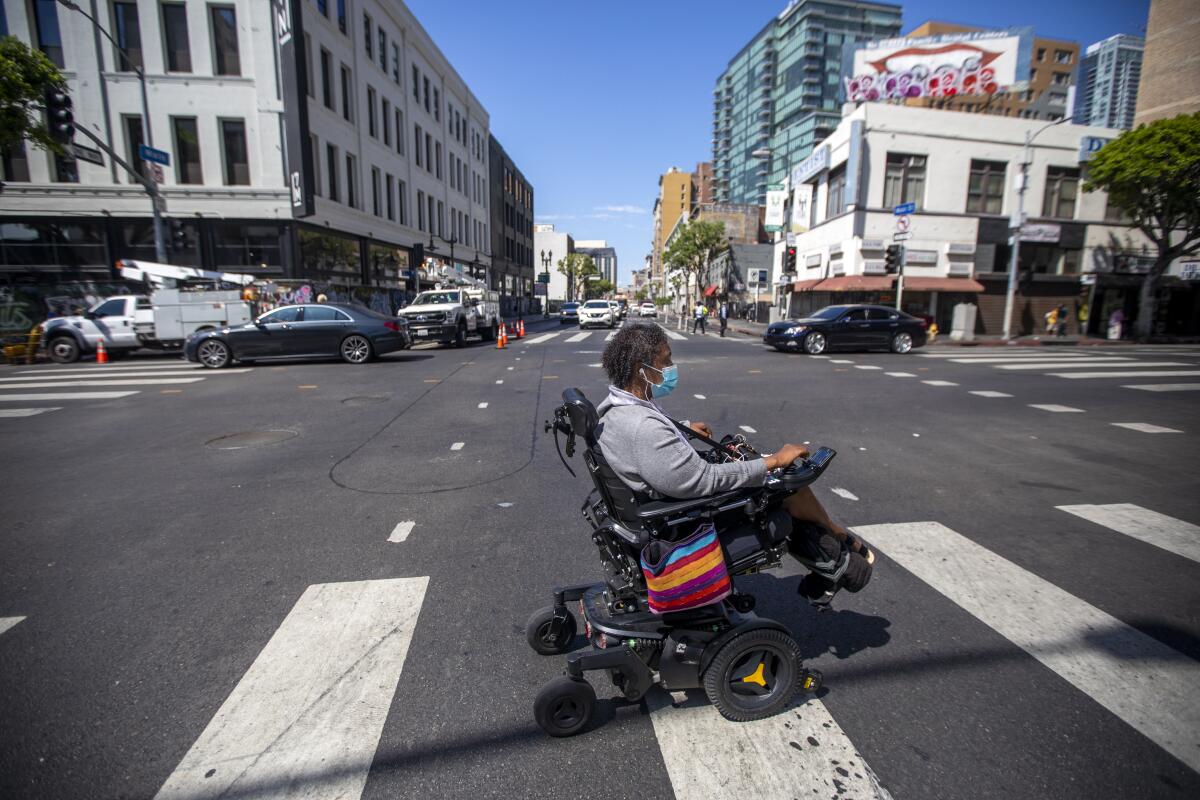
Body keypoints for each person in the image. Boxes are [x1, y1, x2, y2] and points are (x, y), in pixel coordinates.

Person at [596, 324, 873, 607]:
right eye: (665, 360)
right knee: (787, 488)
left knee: (781, 486)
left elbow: (652, 448)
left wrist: (684, 430)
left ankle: (834, 564)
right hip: (683, 521)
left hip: (661, 508)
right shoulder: (644, 427)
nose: (671, 367)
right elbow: (699, 482)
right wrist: (771, 462)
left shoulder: (616, 409)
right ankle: (841, 554)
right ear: (641, 370)